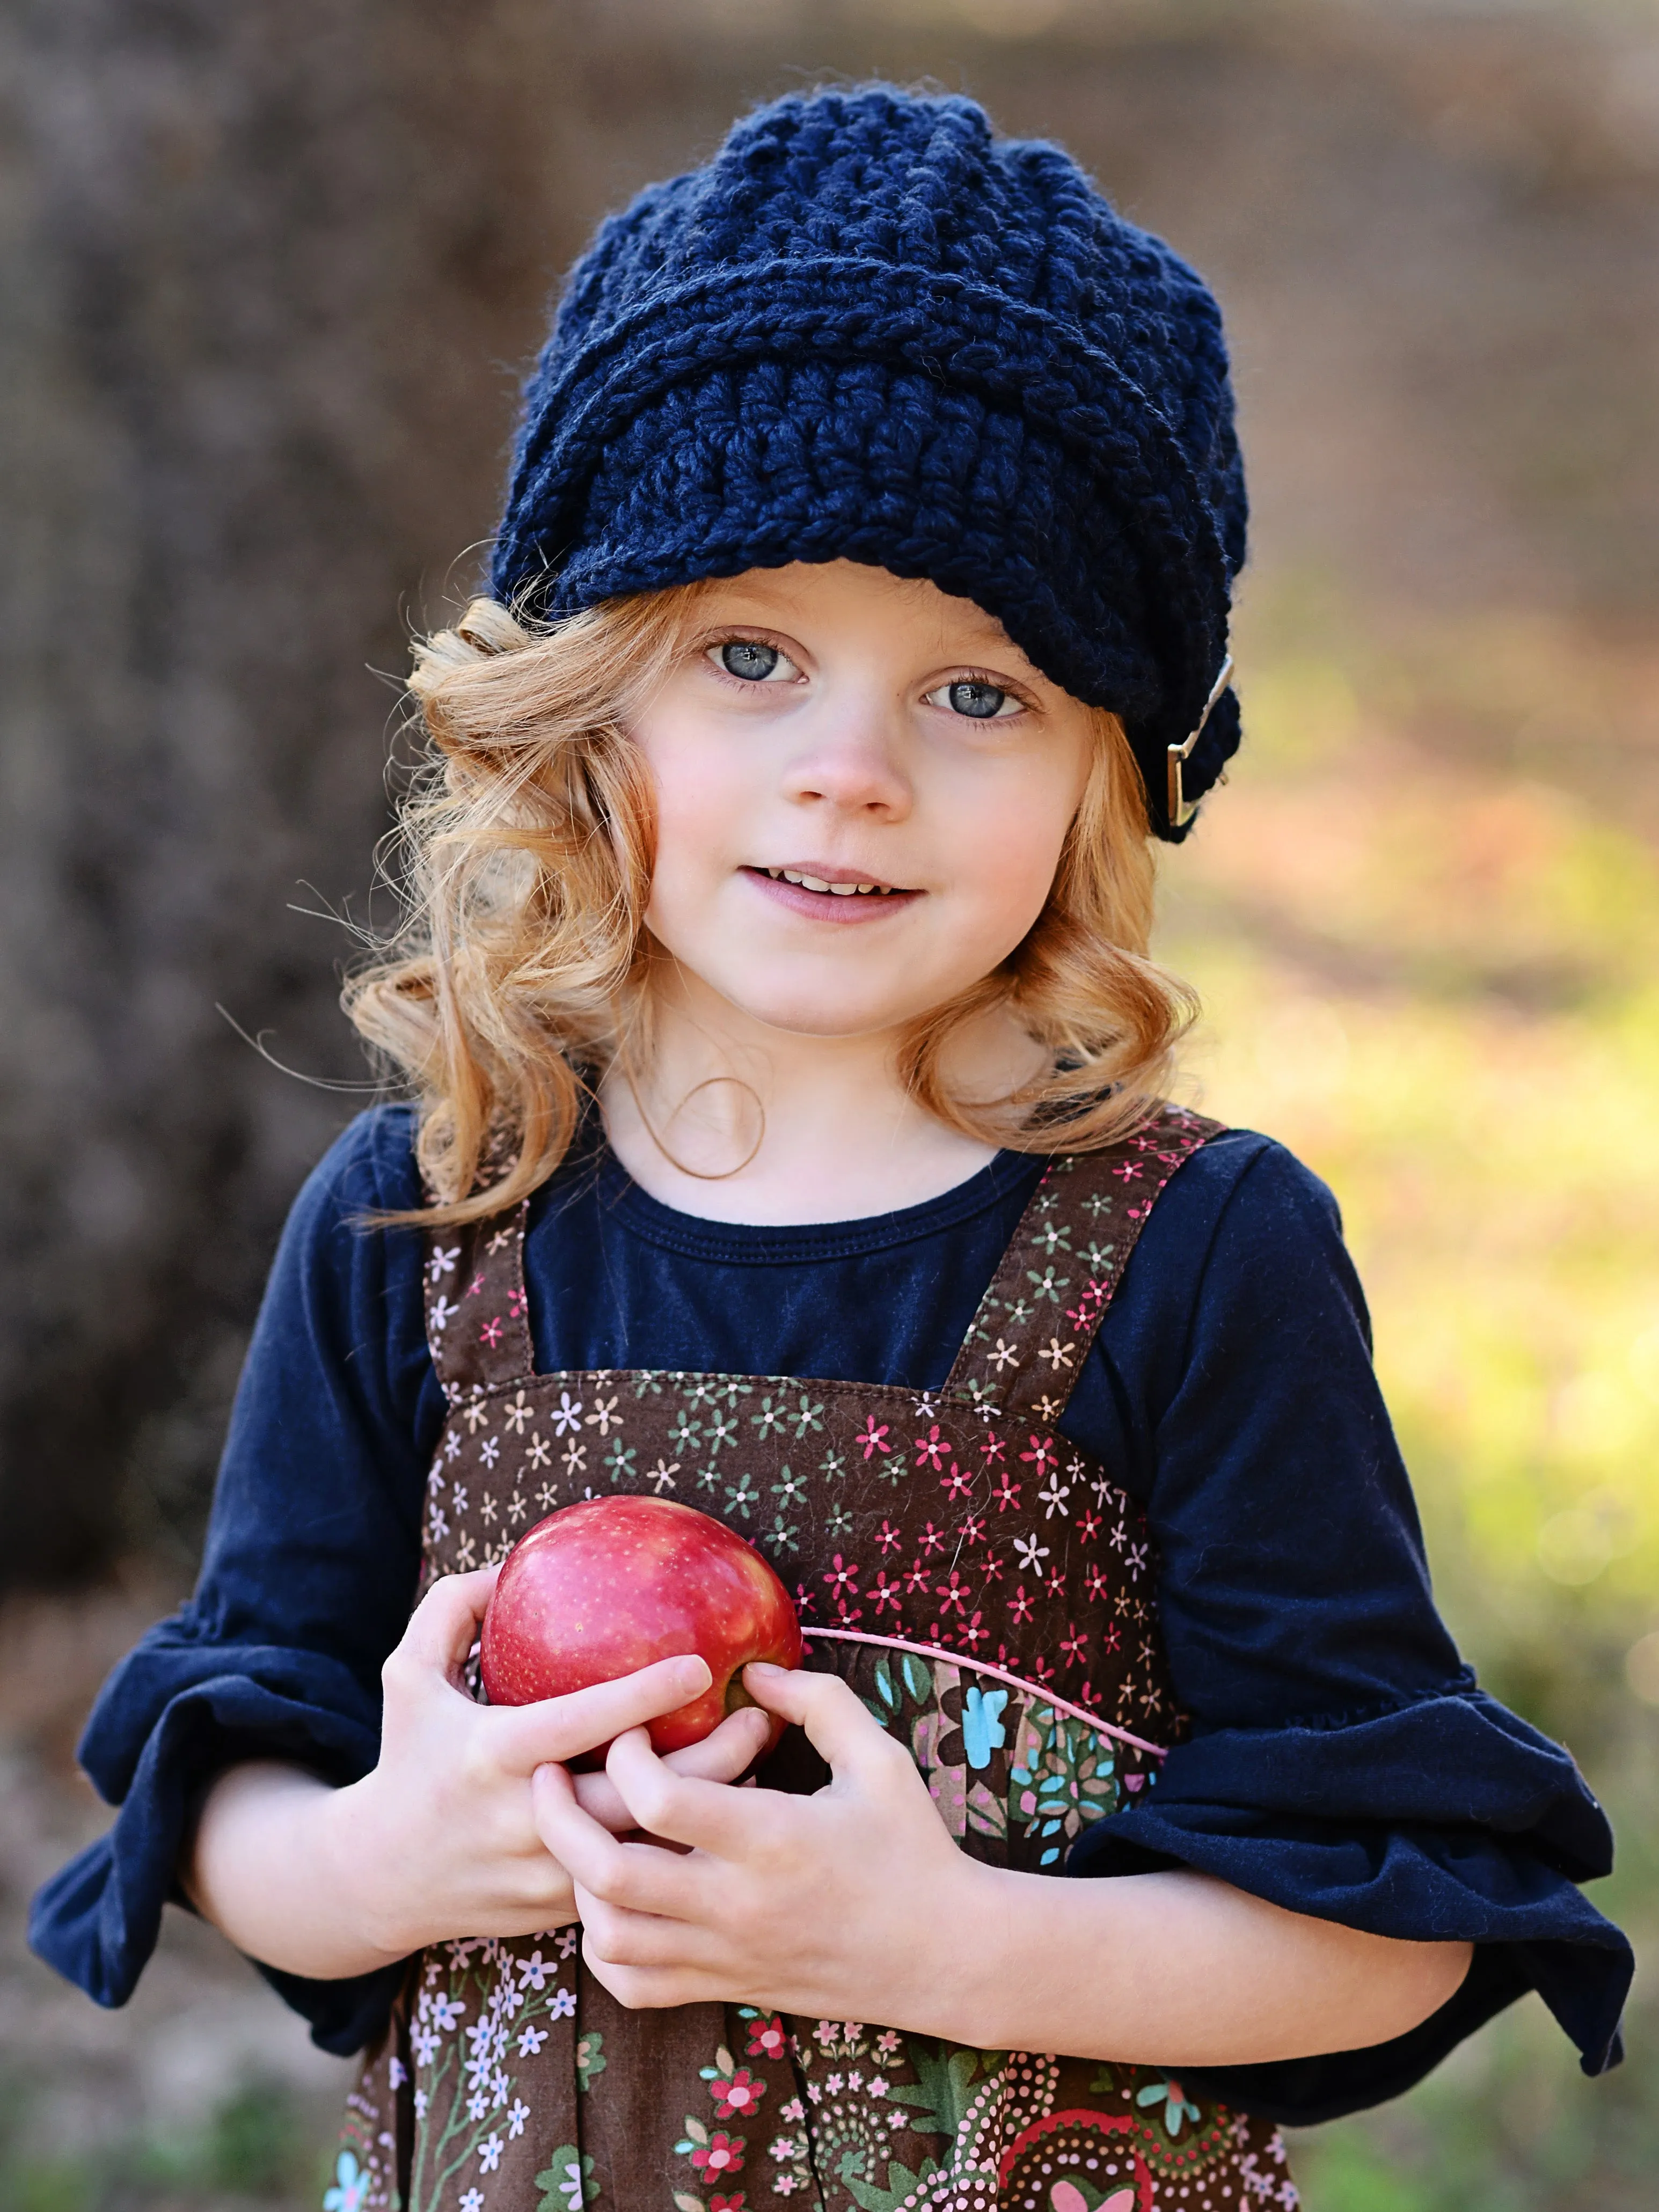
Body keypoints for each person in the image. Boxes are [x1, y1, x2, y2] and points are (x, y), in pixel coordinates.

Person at [31, 85, 1631, 2212]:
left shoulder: (1189, 1254)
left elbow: (1395, 1913)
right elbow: (221, 1774)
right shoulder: (431, 1222)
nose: (850, 774)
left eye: (976, 691)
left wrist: (946, 1939)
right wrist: (373, 1858)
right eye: (751, 656)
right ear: (585, 704)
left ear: (1105, 773)